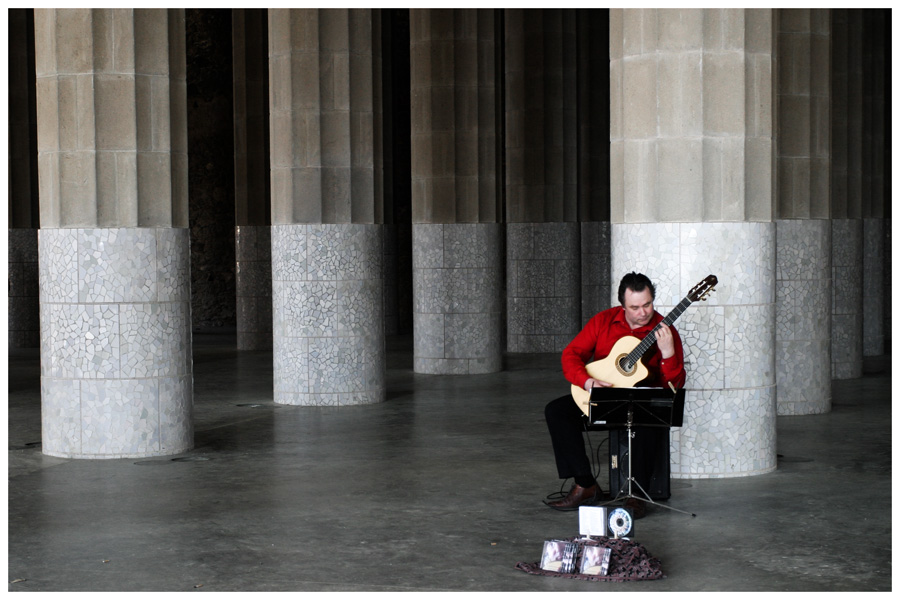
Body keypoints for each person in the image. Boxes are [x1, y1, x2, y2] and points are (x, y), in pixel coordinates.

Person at [544, 272, 686, 517]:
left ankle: (637, 496)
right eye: (635, 307)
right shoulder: (604, 321)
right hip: (602, 399)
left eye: (647, 304)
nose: (643, 313)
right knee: (557, 411)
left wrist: (669, 354)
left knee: (650, 419)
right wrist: (587, 382)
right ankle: (586, 485)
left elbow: (674, 386)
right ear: (622, 306)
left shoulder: (665, 330)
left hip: (638, 404)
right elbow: (570, 355)